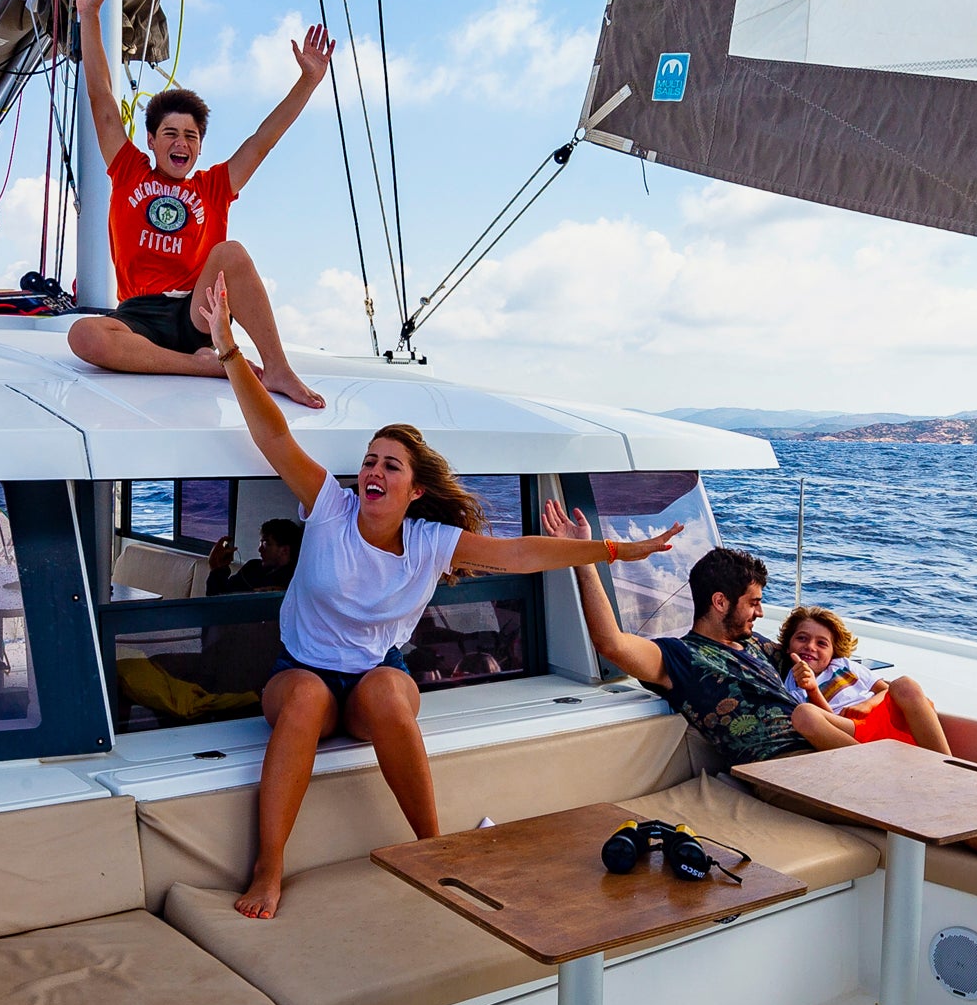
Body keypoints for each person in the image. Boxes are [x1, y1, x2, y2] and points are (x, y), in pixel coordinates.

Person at [544, 506, 977, 951]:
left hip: (834, 754)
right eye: (752, 603)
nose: (759, 614)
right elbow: (609, 642)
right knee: (955, 802)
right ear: (719, 601)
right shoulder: (677, 658)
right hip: (782, 773)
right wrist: (583, 556)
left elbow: (826, 663)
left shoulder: (756, 650)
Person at [214, 274, 683, 918]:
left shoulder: (432, 540)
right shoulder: (328, 508)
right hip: (302, 675)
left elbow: (519, 554)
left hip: (378, 676)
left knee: (384, 690)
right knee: (302, 698)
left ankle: (434, 850)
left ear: (414, 492)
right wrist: (230, 352)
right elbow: (273, 437)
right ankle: (270, 868)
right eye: (370, 461)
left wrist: (611, 550)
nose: (373, 471)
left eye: (390, 466)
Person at [64, 0, 331, 408]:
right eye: (170, 133)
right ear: (151, 141)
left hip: (197, 312)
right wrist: (89, 15)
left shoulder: (213, 187)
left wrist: (307, 81)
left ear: (200, 147)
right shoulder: (129, 169)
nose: (181, 142)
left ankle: (278, 370)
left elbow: (262, 142)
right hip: (139, 316)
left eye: (191, 136)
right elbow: (101, 97)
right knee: (84, 334)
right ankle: (207, 365)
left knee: (231, 253)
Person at [779, 605, 931, 748]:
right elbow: (829, 723)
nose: (810, 646)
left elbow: (886, 690)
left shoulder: (843, 665)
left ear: (833, 652)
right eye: (802, 638)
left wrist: (867, 705)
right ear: (787, 646)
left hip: (885, 719)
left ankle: (947, 767)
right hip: (852, 731)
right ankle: (868, 764)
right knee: (804, 714)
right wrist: (812, 690)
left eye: (821, 643)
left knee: (904, 684)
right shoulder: (791, 687)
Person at [208, 518, 301, 594]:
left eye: (265, 544)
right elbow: (220, 598)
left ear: (284, 550)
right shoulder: (252, 567)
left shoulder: (291, 581)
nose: (259, 549)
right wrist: (219, 569)